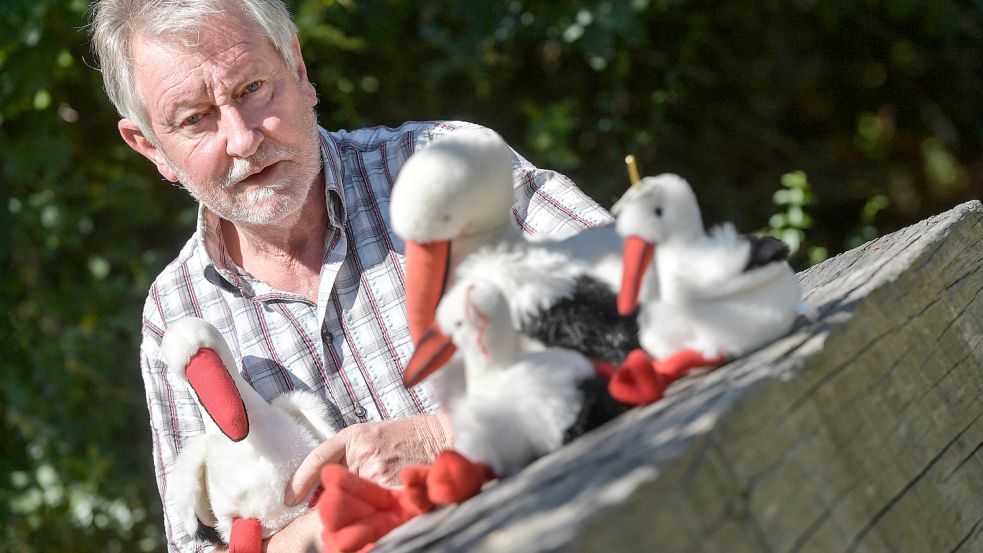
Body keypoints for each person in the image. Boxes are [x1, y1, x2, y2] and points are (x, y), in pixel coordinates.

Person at [89, 0, 612, 550]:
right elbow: (195, 543)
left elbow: (652, 305)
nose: (242, 139)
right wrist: (312, 533)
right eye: (196, 119)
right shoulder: (175, 314)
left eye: (252, 89)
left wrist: (443, 437)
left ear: (298, 68)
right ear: (151, 147)